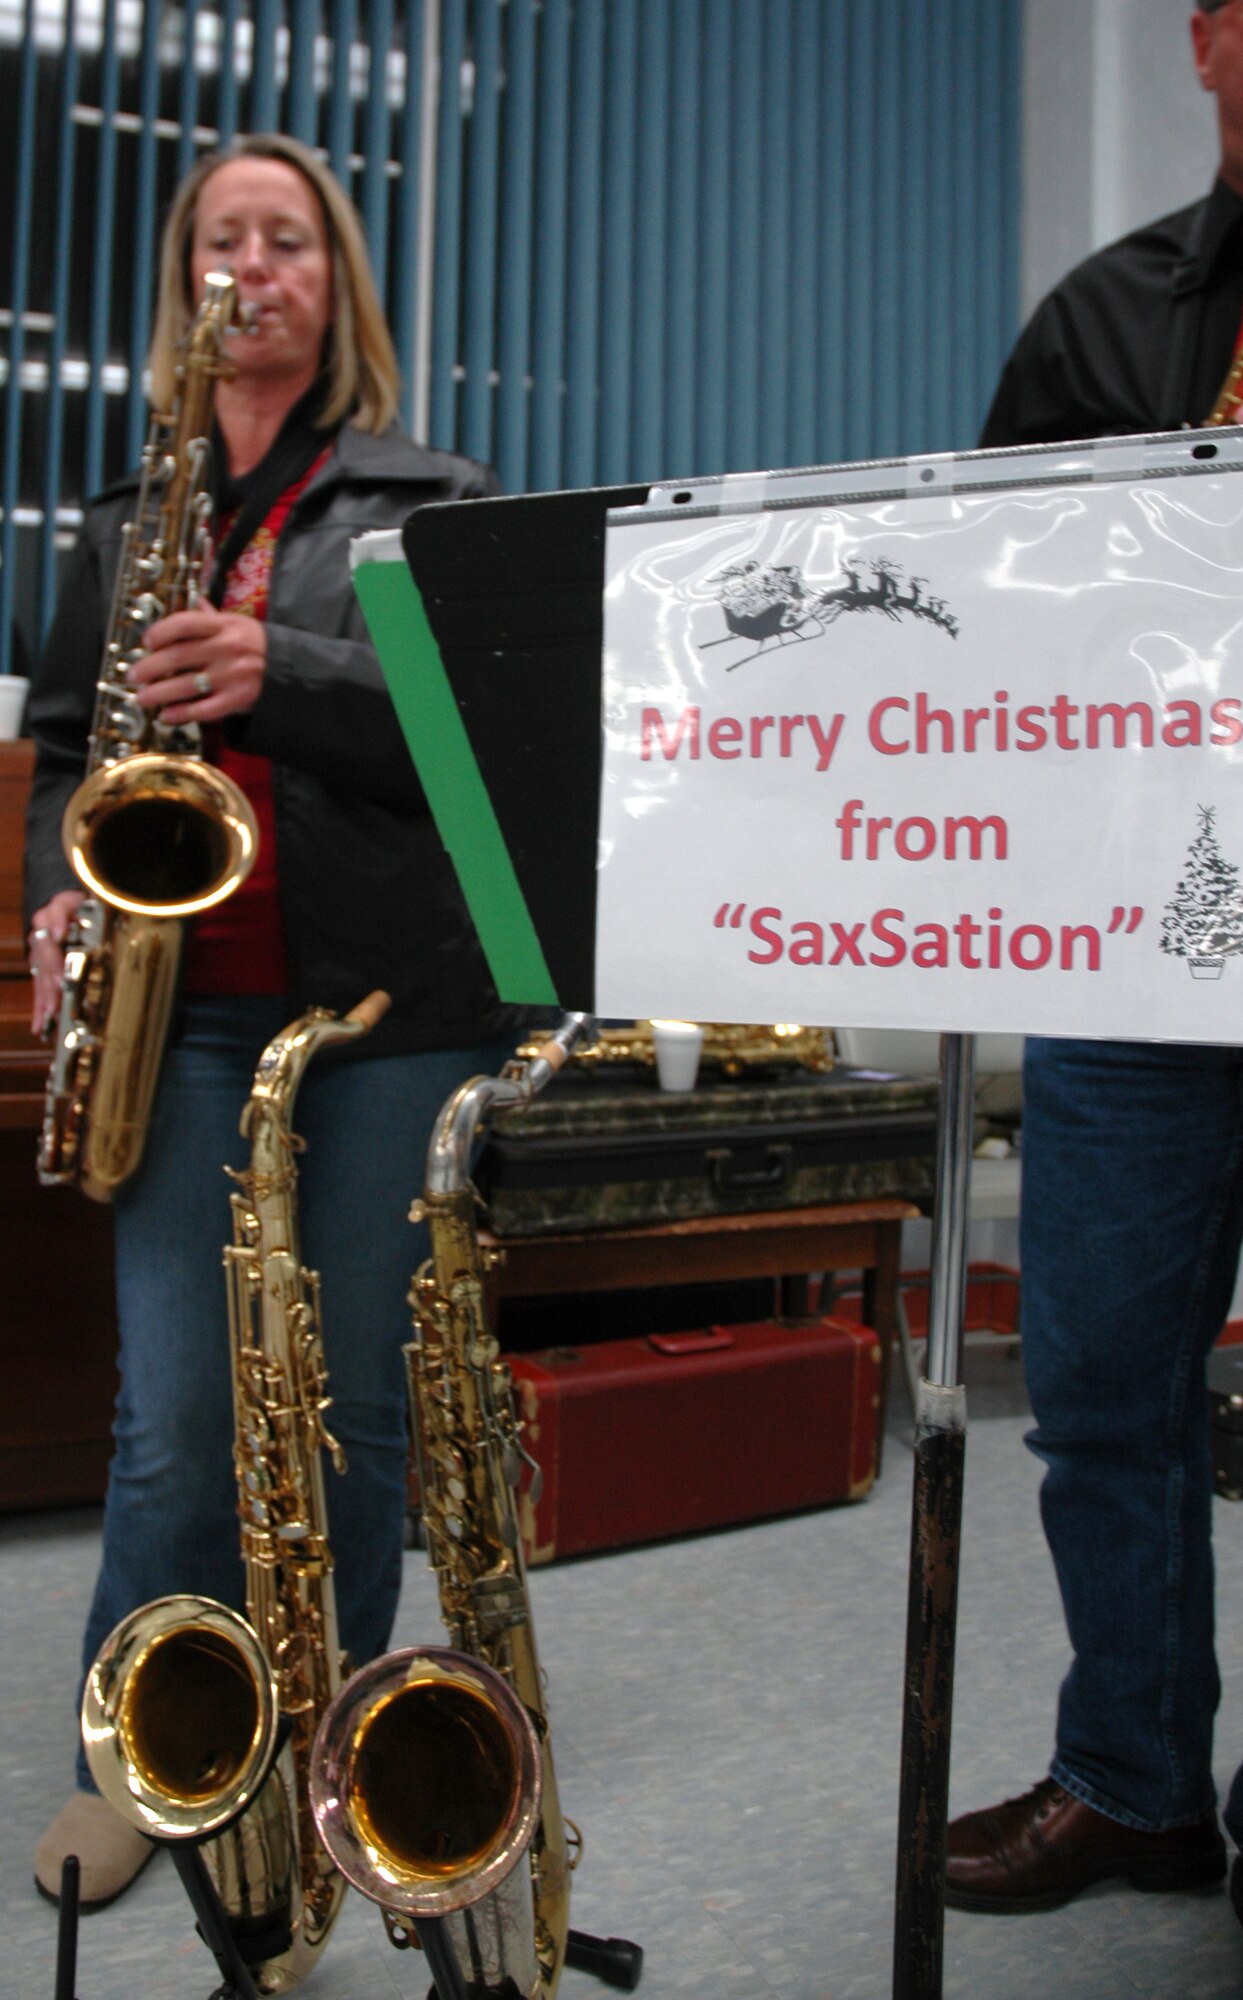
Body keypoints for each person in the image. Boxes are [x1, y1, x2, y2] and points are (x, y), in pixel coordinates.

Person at [25, 133, 519, 1910]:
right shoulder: (118, 516)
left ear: (335, 281)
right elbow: (73, 755)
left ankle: (327, 1752)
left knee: (353, 1412)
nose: (253, 262)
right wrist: (56, 893)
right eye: (222, 236)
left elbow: (475, 764)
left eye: (288, 237)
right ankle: (140, 1766)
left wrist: (279, 675)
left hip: (388, 1018)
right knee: (171, 1420)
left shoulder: (431, 493)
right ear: (185, 282)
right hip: (181, 1019)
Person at [944, 1, 1243, 1919]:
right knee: (1106, 1387)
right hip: (1138, 942)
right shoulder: (1106, 311)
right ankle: (1133, 1779)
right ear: (1209, 39)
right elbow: (979, 605)